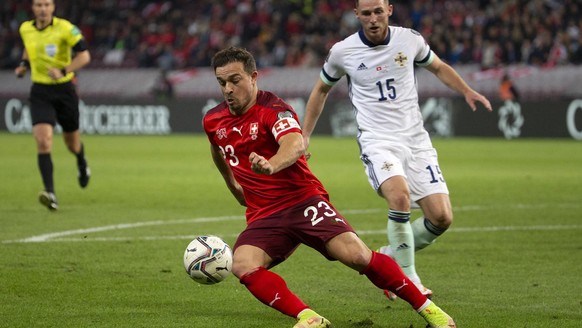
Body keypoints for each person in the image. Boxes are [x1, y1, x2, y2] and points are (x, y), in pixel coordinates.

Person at [203, 46, 456, 328]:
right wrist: (233, 185)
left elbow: (295, 143)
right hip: (264, 214)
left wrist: (272, 164)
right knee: (242, 264)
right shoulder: (213, 119)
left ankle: (429, 309)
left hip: (303, 201)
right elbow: (217, 149)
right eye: (222, 82)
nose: (228, 89)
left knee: (358, 256)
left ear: (253, 77)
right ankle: (309, 318)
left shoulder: (273, 109)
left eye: (234, 80)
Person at [302, 0, 492, 300]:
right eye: (367, 13)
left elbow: (439, 67)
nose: (374, 18)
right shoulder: (343, 52)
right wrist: (305, 135)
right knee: (399, 196)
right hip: (378, 141)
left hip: (416, 140)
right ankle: (408, 277)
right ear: (357, 16)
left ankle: (390, 254)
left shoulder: (410, 39)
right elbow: (321, 90)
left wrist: (466, 90)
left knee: (441, 218)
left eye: (379, 11)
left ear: (389, 9)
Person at [15, 0, 91, 211]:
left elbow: (84, 56)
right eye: (39, 5)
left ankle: (81, 161)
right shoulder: (25, 29)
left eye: (46, 5)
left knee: (72, 144)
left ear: (53, 7)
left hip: (65, 90)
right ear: (33, 8)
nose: (43, 9)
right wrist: (23, 65)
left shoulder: (66, 28)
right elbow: (29, 49)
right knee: (43, 141)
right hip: (40, 91)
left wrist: (64, 70)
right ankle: (50, 193)